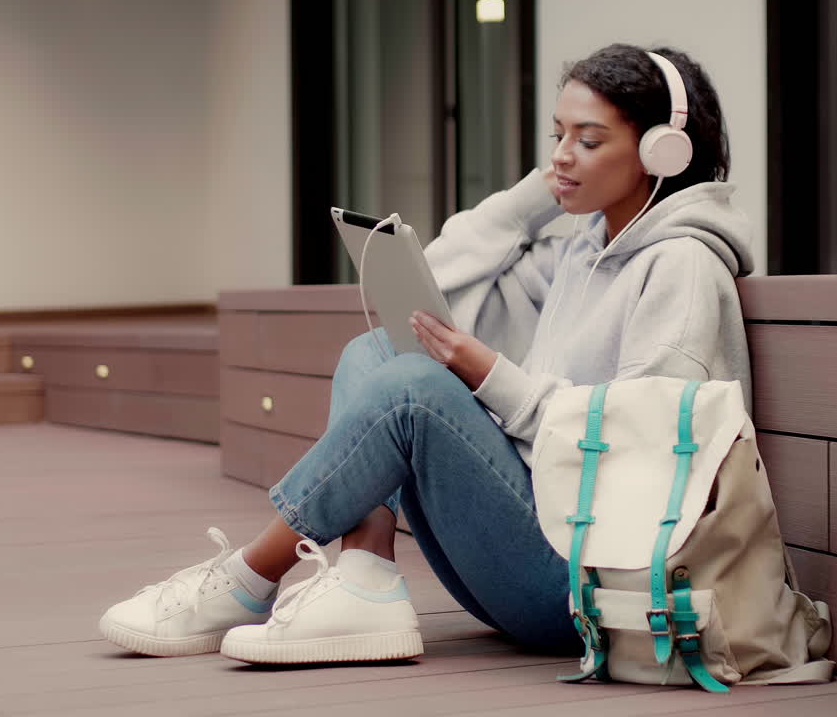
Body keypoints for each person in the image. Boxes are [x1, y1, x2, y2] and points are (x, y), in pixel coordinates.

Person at [98, 43, 753, 664]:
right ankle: (367, 577)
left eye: (588, 140)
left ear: (660, 152)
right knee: (379, 352)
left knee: (413, 385)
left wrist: (487, 374)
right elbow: (436, 288)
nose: (562, 155)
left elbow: (643, 454)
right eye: (556, 136)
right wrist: (539, 195)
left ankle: (247, 577)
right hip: (540, 536)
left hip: (596, 588)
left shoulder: (682, 270)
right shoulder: (581, 251)